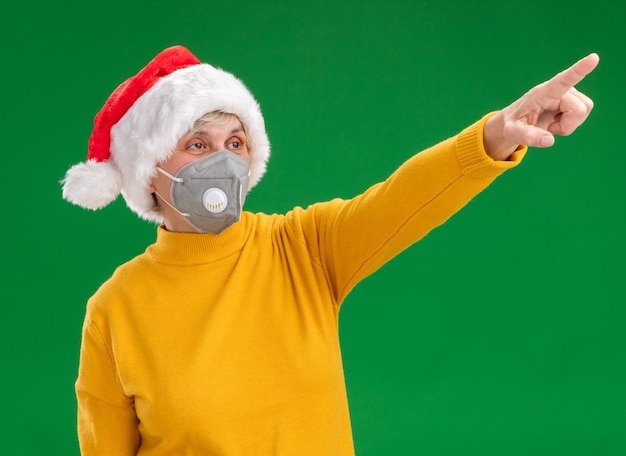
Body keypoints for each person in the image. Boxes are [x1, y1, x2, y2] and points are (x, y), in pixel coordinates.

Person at [61, 45, 598, 455]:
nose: (221, 162)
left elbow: (402, 199)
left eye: (235, 143)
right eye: (197, 144)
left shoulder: (302, 248)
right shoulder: (115, 310)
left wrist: (497, 135)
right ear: (147, 174)